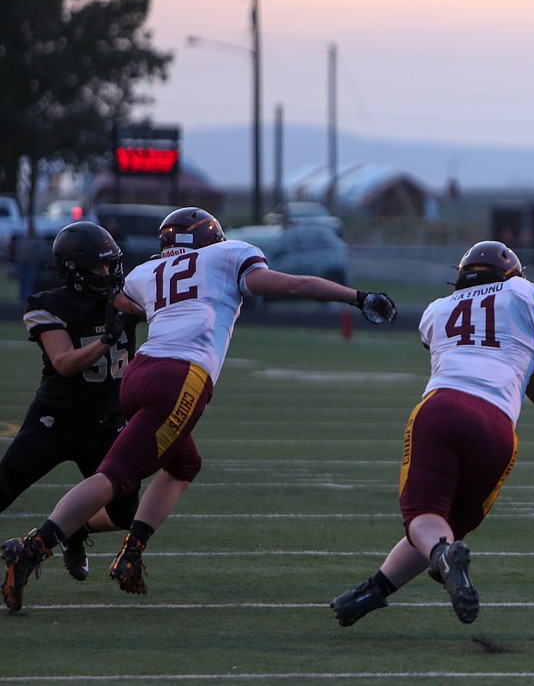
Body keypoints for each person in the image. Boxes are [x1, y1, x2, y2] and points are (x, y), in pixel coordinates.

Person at [2, 207, 397, 614]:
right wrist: (357, 297)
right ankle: (33, 547)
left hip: (138, 375)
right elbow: (291, 285)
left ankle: (132, 551)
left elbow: (119, 302)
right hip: (181, 377)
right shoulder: (227, 256)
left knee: (184, 465)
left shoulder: (145, 272)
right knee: (116, 477)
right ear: (213, 238)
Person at [329, 241, 534, 628]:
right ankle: (373, 591)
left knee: (426, 520)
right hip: (498, 427)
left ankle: (420, 570)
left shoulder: (436, 310)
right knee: (445, 530)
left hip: (442, 408)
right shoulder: (527, 294)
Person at [0, 222, 140, 583]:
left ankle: (74, 530)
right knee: (4, 485)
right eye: (98, 266)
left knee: (125, 512)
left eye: (110, 265)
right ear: (74, 269)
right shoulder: (48, 305)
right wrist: (107, 339)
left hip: (107, 423)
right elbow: (64, 363)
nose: (107, 273)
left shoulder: (126, 298)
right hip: (55, 421)